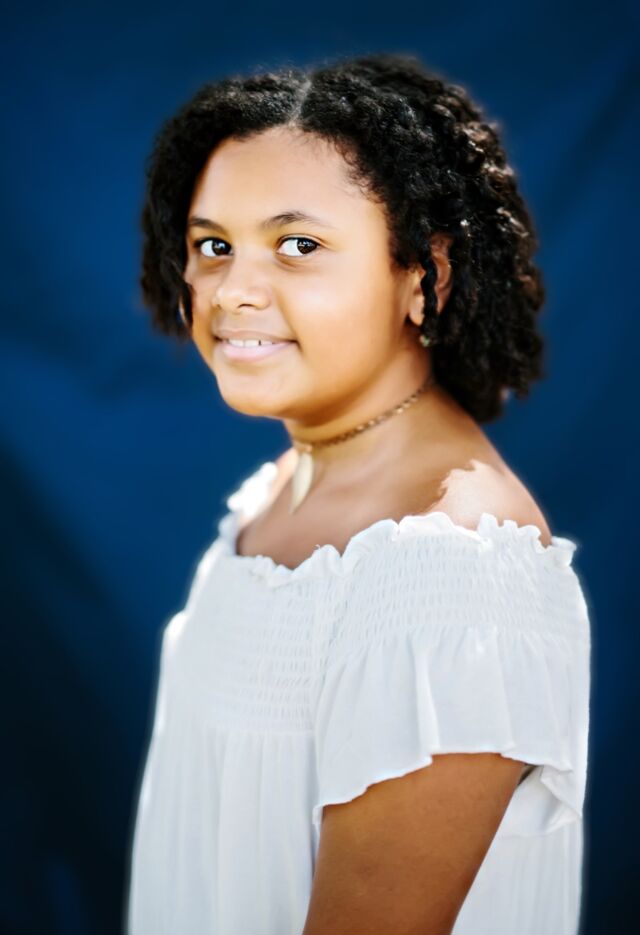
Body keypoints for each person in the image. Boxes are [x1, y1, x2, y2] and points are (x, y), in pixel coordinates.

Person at [124, 51, 591, 934]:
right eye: (213, 245)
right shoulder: (279, 490)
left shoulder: (451, 577)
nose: (234, 291)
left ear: (424, 274)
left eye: (298, 245)